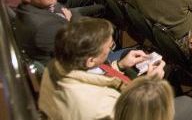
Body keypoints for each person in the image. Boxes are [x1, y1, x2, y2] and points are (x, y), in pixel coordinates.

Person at [38, 18, 167, 120]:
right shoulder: (98, 106)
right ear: (91, 61)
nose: (110, 51)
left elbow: (92, 79)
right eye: (109, 48)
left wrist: (120, 65)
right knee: (187, 105)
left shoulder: (56, 64)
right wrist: (151, 85)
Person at [13, 0, 102, 64]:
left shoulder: (31, 6)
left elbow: (62, 9)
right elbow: (79, 52)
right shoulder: (45, 27)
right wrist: (69, 21)